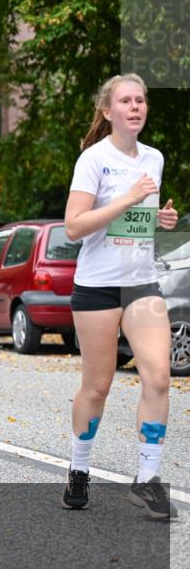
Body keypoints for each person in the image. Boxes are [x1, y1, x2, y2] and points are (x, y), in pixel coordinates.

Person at [61, 74, 179, 519]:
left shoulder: (154, 158)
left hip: (141, 283)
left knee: (159, 376)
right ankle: (78, 468)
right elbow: (74, 226)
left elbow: (135, 226)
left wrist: (158, 220)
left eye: (141, 100)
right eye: (126, 101)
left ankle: (147, 479)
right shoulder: (94, 160)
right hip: (97, 286)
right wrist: (129, 199)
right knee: (97, 386)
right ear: (108, 111)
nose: (136, 107)